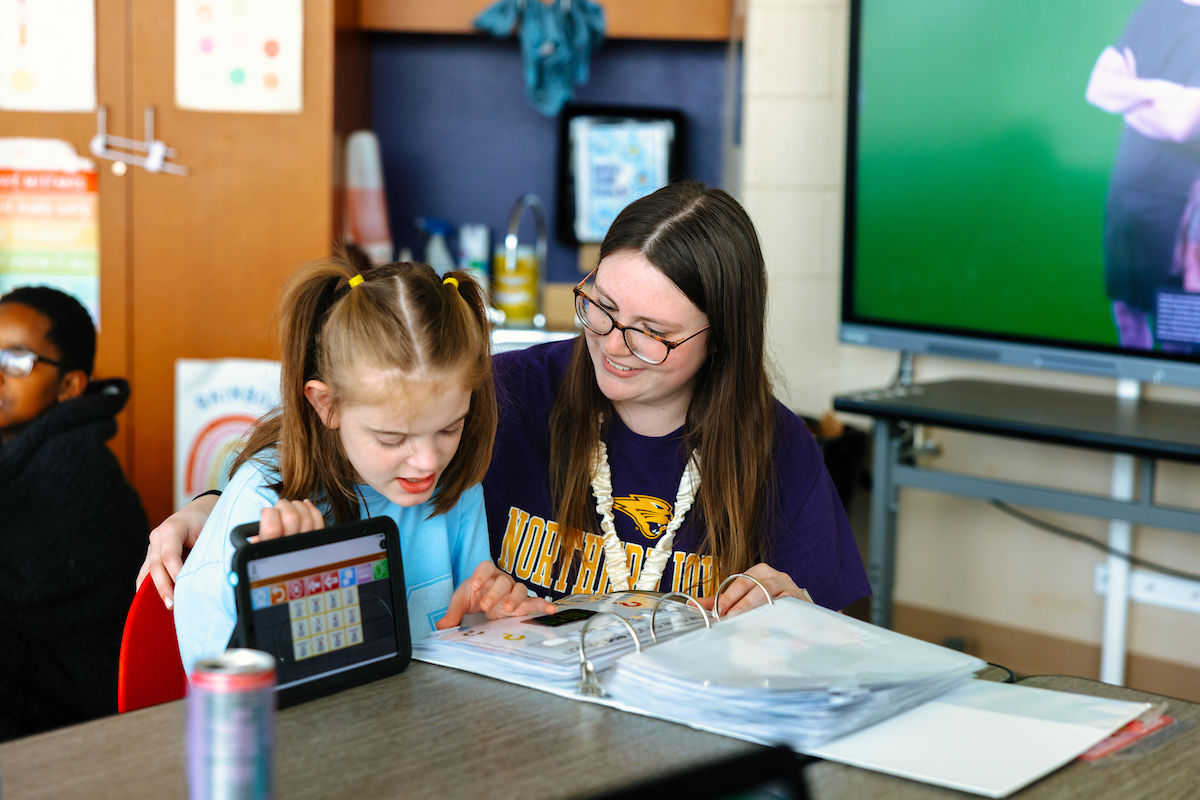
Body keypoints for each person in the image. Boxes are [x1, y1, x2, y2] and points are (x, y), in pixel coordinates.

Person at [146, 181, 870, 619]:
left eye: (653, 334)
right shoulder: (514, 392)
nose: (615, 345)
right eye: (601, 307)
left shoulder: (774, 446)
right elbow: (360, 424)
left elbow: (845, 647)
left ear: (724, 338)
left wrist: (797, 620)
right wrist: (219, 504)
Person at [173, 260, 553, 673]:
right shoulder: (261, 506)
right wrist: (287, 592)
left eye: (450, 428)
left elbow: (465, 643)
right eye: (392, 438)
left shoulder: (455, 487)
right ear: (326, 405)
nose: (428, 462)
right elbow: (227, 699)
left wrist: (493, 620)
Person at [0, 286, 148, 741]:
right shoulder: (17, 450)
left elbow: (23, 605)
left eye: (17, 361)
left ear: (69, 385)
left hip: (72, 696)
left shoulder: (79, 467)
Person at [1086, 0, 1200, 349]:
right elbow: (1098, 88)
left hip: (1182, 200)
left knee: (1178, 331)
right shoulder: (1151, 10)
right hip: (1128, 190)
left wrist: (1128, 104)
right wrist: (1163, 93)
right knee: (1126, 309)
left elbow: (1183, 125)